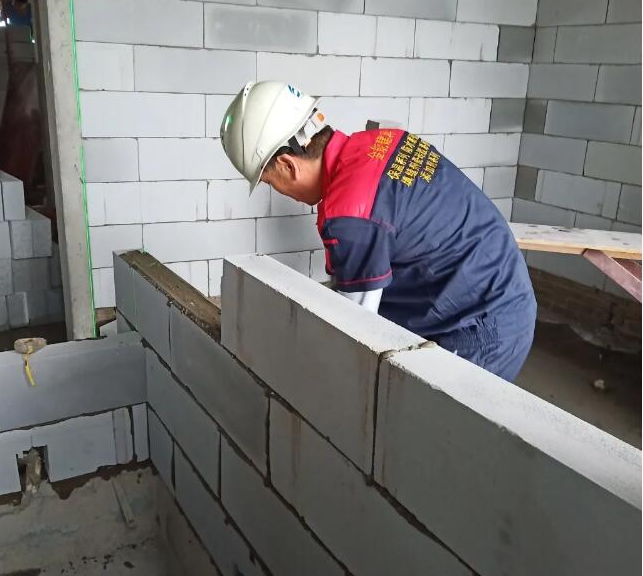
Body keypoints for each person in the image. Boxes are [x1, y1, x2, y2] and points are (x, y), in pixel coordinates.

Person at [220, 81, 537, 382]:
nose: (279, 192)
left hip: (482, 327)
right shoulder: (380, 142)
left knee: (413, 411)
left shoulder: (349, 213)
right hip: (500, 284)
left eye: (270, 182)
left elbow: (356, 334)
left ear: (288, 166)